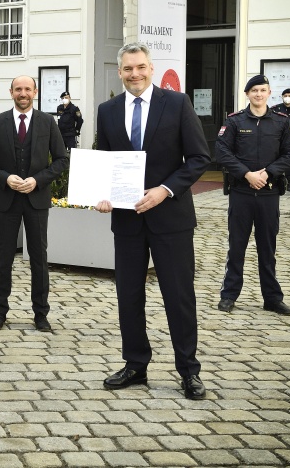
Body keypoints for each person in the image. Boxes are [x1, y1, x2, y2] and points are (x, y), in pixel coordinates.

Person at [95, 42, 210, 400]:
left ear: (152, 67)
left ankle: (189, 371)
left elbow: (199, 157)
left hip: (170, 219)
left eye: (141, 67)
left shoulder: (176, 104)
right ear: (120, 72)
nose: (135, 74)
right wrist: (100, 193)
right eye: (128, 69)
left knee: (178, 296)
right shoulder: (108, 110)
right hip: (127, 222)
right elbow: (103, 160)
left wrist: (164, 190)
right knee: (128, 295)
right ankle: (135, 365)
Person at [0, 76, 69, 333]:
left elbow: (61, 160)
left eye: (27, 89)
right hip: (7, 200)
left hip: (36, 200)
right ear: (11, 92)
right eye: (18, 89)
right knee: (3, 258)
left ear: (35, 92)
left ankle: (41, 314)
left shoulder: (48, 121)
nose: (23, 93)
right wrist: (5, 178)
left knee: (39, 259)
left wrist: (37, 181)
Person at [215, 75, 290, 315]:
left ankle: (272, 298)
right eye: (254, 91)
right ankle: (229, 295)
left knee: (267, 248)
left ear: (269, 92)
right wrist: (247, 175)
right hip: (241, 192)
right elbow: (222, 152)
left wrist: (268, 173)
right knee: (237, 246)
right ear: (247, 94)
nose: (258, 94)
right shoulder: (234, 121)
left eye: (262, 90)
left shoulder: (281, 122)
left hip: (269, 193)